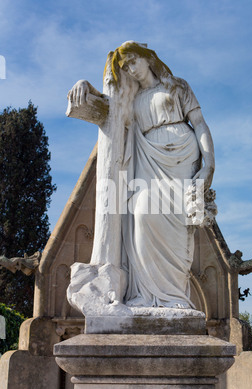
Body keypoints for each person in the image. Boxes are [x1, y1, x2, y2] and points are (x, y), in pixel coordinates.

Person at [69, 41, 215, 310]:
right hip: (148, 157)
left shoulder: (177, 86)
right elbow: (108, 107)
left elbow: (200, 124)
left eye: (134, 61)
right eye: (126, 66)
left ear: (148, 58)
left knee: (178, 225)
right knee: (140, 211)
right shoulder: (132, 97)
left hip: (182, 155)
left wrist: (209, 165)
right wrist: (84, 85)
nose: (131, 69)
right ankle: (146, 295)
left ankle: (174, 297)